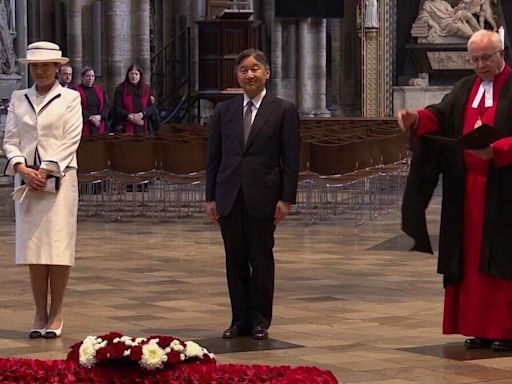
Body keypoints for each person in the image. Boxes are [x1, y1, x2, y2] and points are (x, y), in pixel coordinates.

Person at [398, 30, 512, 351]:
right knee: (470, 260)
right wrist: (415, 119)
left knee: (501, 260)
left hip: (504, 192)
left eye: (486, 58)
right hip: (465, 193)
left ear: (502, 54)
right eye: (474, 59)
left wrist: (500, 151)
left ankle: (505, 329)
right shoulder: (464, 88)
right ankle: (479, 327)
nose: (480, 65)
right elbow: (439, 115)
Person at [206, 48, 300, 340]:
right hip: (229, 195)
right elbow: (214, 157)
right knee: (234, 260)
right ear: (237, 76)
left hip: (264, 196)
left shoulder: (283, 110)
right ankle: (239, 319)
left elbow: (291, 158)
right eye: (244, 70)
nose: (249, 74)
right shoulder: (225, 111)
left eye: (255, 68)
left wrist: (286, 199)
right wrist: (211, 197)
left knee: (260, 259)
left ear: (267, 73)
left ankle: (260, 319)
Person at [2, 41, 82, 339]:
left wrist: (45, 170)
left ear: (57, 67)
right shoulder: (18, 98)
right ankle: (39, 311)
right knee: (34, 249)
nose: (41, 70)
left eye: (47, 65)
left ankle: (57, 311)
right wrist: (23, 169)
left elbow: (71, 138)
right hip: (27, 182)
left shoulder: (70, 98)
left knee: (58, 248)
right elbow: (10, 139)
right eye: (36, 65)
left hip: (60, 180)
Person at [111, 64, 159, 135]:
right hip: (126, 126)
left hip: (144, 126)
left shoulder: (147, 89)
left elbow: (152, 107)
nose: (134, 76)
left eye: (136, 74)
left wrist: (142, 114)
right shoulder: (121, 89)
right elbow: (117, 108)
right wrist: (130, 117)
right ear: (128, 75)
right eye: (131, 74)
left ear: (140, 75)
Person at [415, 0, 481, 42]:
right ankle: (475, 37)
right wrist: (432, 24)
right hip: (445, 24)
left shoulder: (443, 2)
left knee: (466, 14)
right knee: (458, 26)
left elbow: (452, 12)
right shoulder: (427, 4)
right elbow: (424, 16)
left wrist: (458, 8)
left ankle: (480, 31)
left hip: (451, 18)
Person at [74, 66, 109, 136]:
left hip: (99, 124)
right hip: (84, 123)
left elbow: (106, 106)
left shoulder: (99, 89)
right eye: (88, 76)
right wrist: (90, 117)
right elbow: (76, 107)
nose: (90, 78)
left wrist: (100, 116)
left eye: (92, 76)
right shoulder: (76, 90)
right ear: (82, 77)